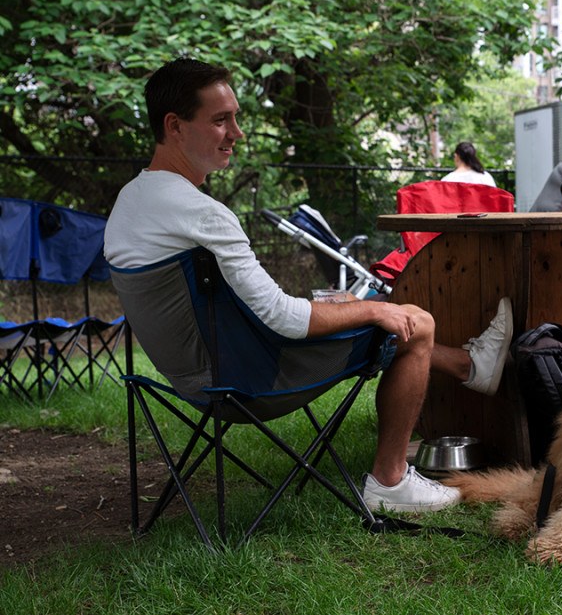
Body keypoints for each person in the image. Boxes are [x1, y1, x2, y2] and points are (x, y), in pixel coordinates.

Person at [104, 58, 514, 514]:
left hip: (192, 381)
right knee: (415, 322)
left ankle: (470, 365)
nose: (237, 133)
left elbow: (243, 306)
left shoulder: (130, 203)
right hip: (251, 383)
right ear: (174, 126)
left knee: (364, 308)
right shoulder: (201, 213)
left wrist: (350, 307)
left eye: (236, 118)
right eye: (221, 120)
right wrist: (372, 309)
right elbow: (283, 318)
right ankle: (391, 482)